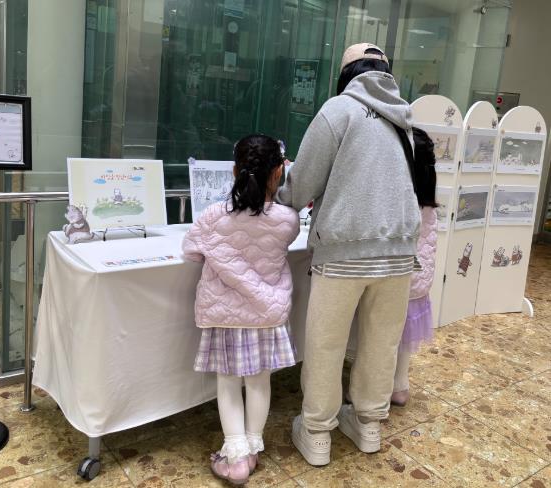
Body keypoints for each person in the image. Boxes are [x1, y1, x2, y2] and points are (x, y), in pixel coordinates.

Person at [276, 43, 421, 465]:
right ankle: (369, 424)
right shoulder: (404, 118)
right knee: (381, 342)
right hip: (398, 251)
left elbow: (302, 185)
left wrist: (281, 195)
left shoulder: (337, 111)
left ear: (346, 73)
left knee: (327, 343)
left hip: (344, 251)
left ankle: (317, 432)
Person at [182, 134, 300, 485]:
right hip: (266, 315)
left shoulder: (212, 217)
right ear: (278, 173)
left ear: (234, 171)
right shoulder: (288, 220)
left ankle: (235, 459)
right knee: (260, 381)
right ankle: (251, 450)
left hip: (226, 314)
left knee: (229, 383)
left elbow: (191, 250)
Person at [391, 127, 438, 406]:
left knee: (386, 339)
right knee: (405, 341)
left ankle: (378, 389)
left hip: (400, 279)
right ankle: (400, 386)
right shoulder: (428, 200)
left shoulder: (402, 199)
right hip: (421, 281)